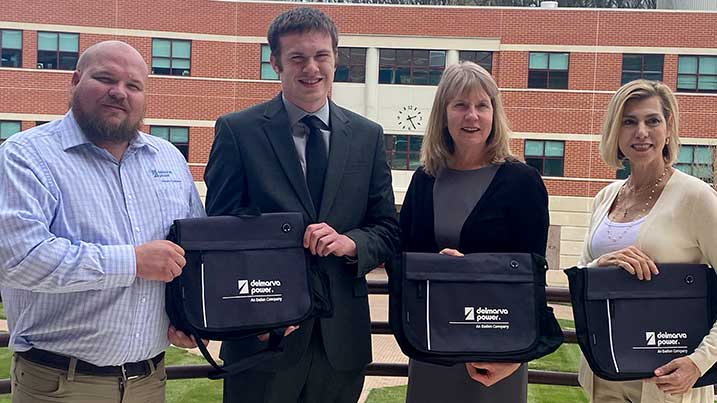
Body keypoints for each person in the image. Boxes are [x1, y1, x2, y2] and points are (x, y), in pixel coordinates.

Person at [203, 7, 400, 403]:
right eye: (297, 57)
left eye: (321, 56)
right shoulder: (237, 131)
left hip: (340, 344)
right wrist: (254, 311)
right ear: (275, 62)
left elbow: (388, 229)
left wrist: (351, 244)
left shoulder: (367, 136)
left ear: (335, 58)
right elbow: (220, 234)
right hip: (262, 339)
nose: (311, 68)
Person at [0, 40, 205, 403]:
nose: (119, 93)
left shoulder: (169, 159)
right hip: (60, 385)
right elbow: (18, 259)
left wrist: (189, 317)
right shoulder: (26, 155)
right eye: (105, 78)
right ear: (76, 80)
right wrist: (133, 261)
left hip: (149, 381)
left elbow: (197, 252)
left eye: (133, 85)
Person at [397, 61, 549, 403]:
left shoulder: (522, 182)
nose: (472, 116)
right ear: (443, 114)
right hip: (432, 342)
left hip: (494, 349)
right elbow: (403, 256)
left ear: (495, 114)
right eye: (461, 105)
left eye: (483, 105)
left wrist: (467, 271)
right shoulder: (425, 178)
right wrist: (437, 267)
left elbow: (531, 273)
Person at [577, 79, 717, 403]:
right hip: (604, 377)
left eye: (652, 120)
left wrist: (699, 362)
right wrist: (601, 266)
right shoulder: (605, 198)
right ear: (616, 131)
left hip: (666, 383)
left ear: (668, 128)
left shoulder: (695, 198)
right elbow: (581, 275)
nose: (641, 131)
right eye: (629, 121)